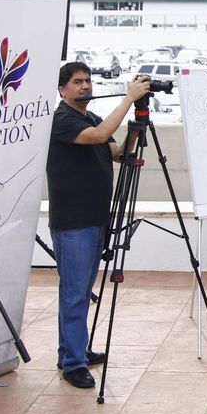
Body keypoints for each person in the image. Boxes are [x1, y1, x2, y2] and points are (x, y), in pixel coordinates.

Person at [48, 62, 151, 388]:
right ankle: (72, 363)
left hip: (95, 219)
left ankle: (75, 350)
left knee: (82, 291)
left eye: (88, 81)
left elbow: (116, 152)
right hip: (73, 223)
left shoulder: (90, 117)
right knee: (74, 294)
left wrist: (136, 130)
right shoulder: (62, 120)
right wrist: (128, 99)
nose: (85, 86)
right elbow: (101, 136)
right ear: (62, 89)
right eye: (77, 82)